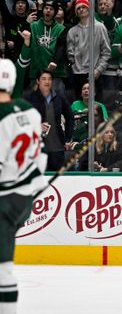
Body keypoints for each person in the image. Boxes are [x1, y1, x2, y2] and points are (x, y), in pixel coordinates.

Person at [0, 58, 48, 314]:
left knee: (3, 267)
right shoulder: (29, 112)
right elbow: (40, 157)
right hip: (24, 198)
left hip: (5, 199)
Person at [23, 69, 74, 172]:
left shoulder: (59, 98)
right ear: (37, 81)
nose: (47, 81)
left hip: (57, 147)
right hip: (36, 148)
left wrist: (68, 138)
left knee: (58, 181)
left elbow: (70, 116)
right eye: (44, 79)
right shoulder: (29, 97)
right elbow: (22, 120)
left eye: (49, 79)